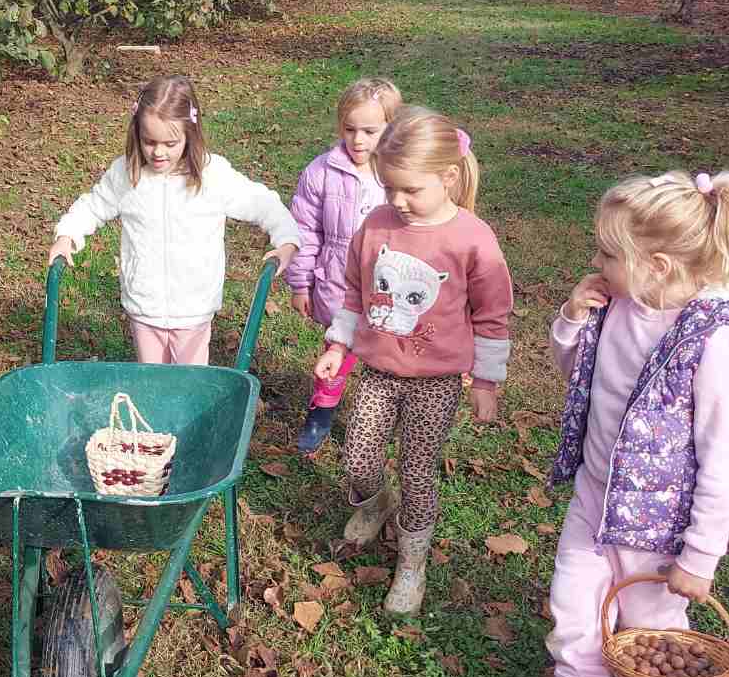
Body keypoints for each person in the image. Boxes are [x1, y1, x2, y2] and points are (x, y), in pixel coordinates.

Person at [508, 170, 729, 677]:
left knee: (647, 625)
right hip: (595, 495)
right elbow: (578, 372)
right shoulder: (618, 305)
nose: (595, 262)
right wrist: (568, 320)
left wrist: (700, 556)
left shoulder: (716, 342)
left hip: (659, 529)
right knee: (572, 610)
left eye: (608, 255)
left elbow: (727, 460)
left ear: (659, 265)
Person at [314, 106, 512, 616]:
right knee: (358, 460)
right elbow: (356, 292)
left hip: (436, 381)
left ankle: (411, 563)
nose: (397, 201)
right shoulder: (377, 225)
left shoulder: (473, 238)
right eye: (388, 189)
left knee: (418, 471)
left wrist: (485, 382)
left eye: (410, 190)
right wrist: (339, 345)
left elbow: (493, 316)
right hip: (378, 372)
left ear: (448, 177)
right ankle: (377, 505)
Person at [49, 75, 300, 364]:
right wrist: (67, 235)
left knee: (189, 384)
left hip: (194, 307)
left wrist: (286, 239)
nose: (158, 152)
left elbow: (262, 202)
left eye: (170, 143)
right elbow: (93, 205)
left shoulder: (211, 175)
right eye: (149, 141)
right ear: (137, 133)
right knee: (153, 379)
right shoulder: (127, 174)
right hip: (144, 305)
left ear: (189, 134)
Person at [286, 78, 403, 454]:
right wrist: (301, 283)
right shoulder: (322, 171)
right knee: (337, 351)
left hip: (391, 290)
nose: (358, 140)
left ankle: (383, 417)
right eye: (350, 130)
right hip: (339, 285)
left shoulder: (398, 175)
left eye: (370, 131)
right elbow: (304, 229)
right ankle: (322, 409)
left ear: (391, 128)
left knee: (388, 357)